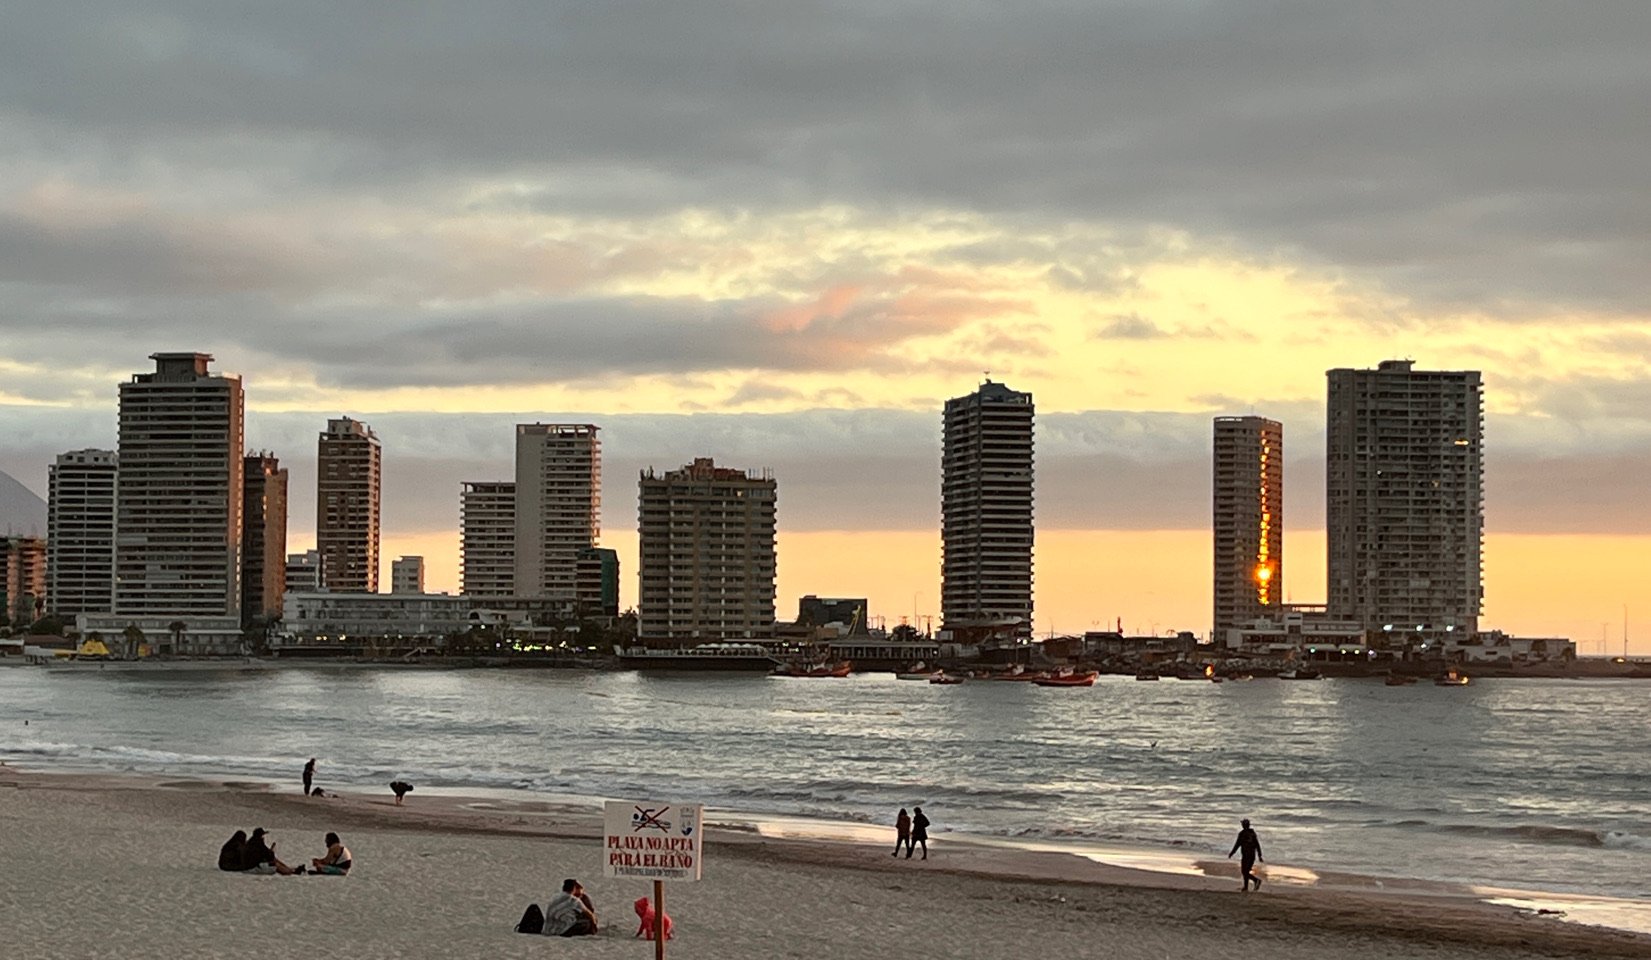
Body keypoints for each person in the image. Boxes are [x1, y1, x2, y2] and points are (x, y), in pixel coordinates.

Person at [1228, 818, 1264, 891]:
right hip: (1252, 856)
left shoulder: (1242, 834)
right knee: (1246, 871)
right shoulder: (1252, 834)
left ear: (1243, 825)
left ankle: (1256, 881)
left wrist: (1232, 853)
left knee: (1244, 871)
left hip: (1246, 856)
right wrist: (1259, 855)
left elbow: (1237, 845)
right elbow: (1257, 845)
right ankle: (1246, 887)